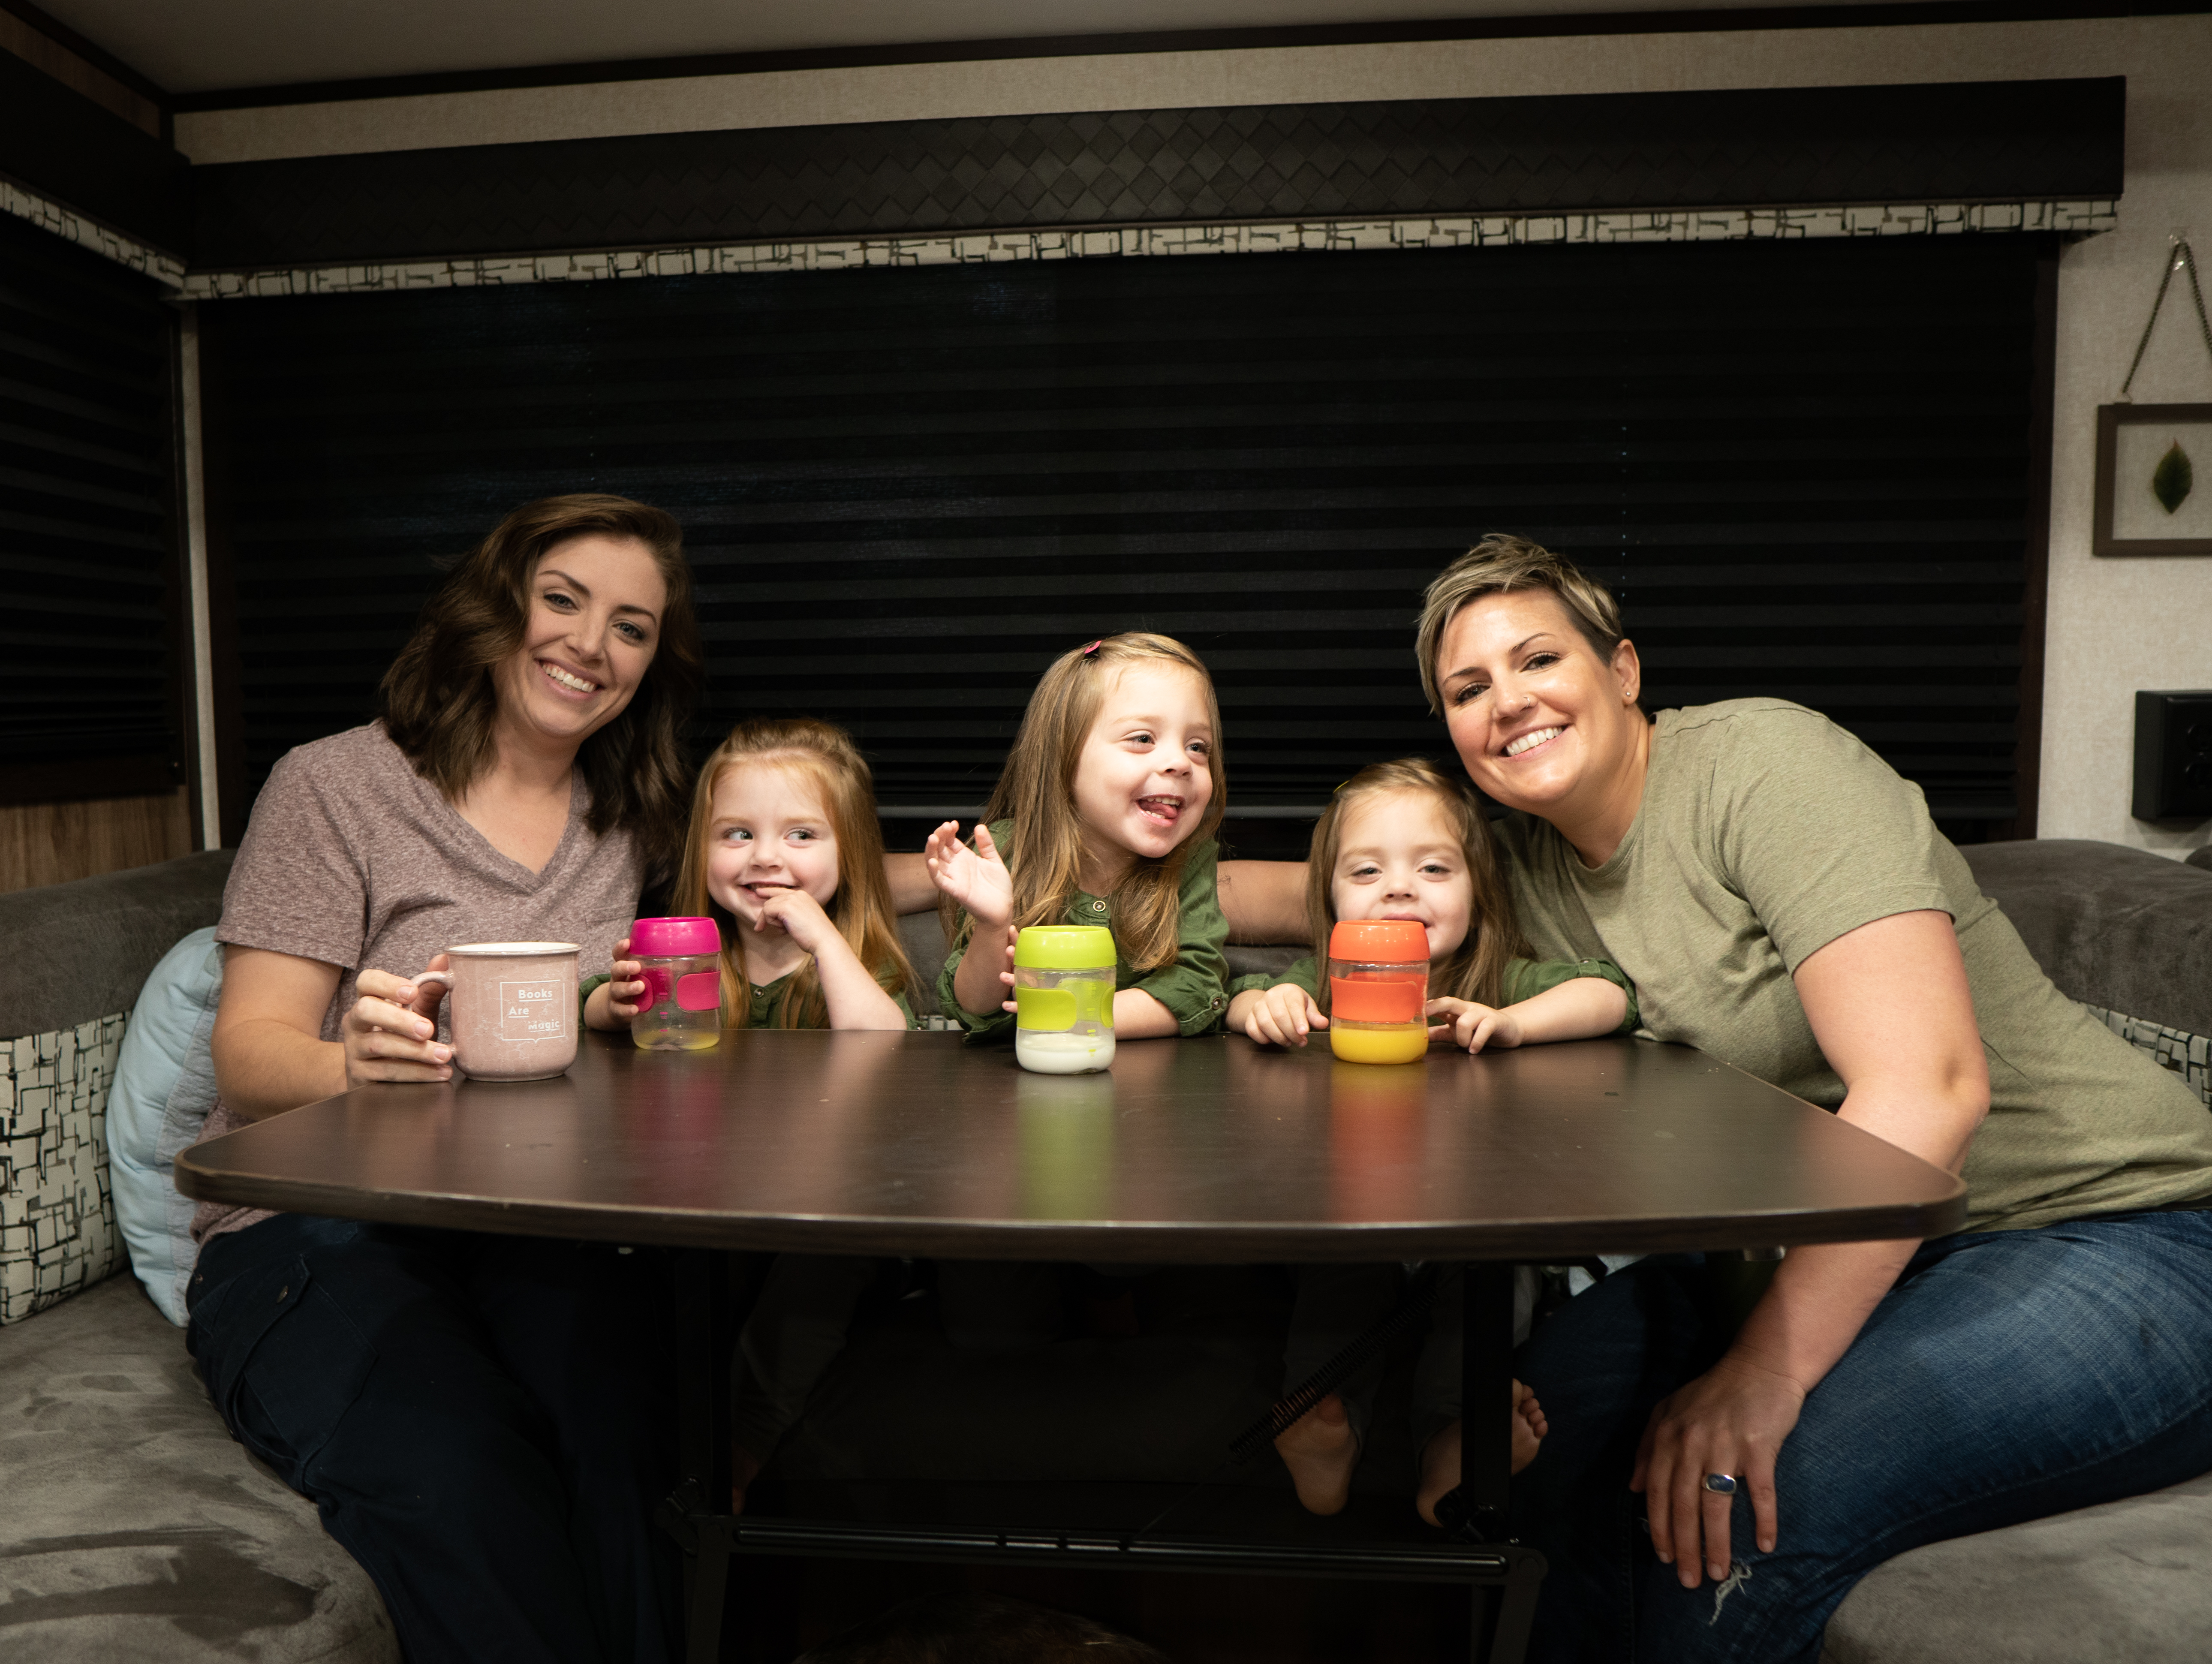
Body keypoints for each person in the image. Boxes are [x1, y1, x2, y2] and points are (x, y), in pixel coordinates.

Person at [1225, 534, 2212, 1663]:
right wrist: (1062, 882)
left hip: (2108, 1232)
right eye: (1467, 687)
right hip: (1825, 1258)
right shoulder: (1527, 871)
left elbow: (1929, 1089)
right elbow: (1311, 885)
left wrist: (1764, 1373)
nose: (1508, 701)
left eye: (1539, 659)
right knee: (1548, 1468)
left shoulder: (1764, 768)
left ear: (1625, 670)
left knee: (1728, 1501)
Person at [187, 494, 703, 1664]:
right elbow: (250, 1054)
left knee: (631, 1448)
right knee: (458, 1472)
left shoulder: (634, 816)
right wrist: (354, 1066)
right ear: (494, 606)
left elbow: (809, 843)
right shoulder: (334, 786)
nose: (590, 644)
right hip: (313, 1226)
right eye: (562, 600)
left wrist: (988, 875)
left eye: (632, 626)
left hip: (532, 1226)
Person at [1228, 758, 1634, 1517]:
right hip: (1355, 1209)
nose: (1401, 886)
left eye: (1435, 867)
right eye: (1367, 869)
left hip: (1473, 1218)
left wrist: (1516, 1022)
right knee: (1339, 1275)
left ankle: (1449, 1445)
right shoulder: (1326, 977)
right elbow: (1245, 995)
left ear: (1479, 896)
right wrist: (1267, 1001)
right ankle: (1324, 1428)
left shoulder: (1495, 980)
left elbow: (1610, 992)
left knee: (1491, 1287)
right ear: (1331, 899)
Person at [610, 717, 915, 1511]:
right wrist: (613, 1006)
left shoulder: (862, 965)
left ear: (848, 854)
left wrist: (822, 939)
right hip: (716, 1201)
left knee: (821, 1264)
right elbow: (606, 1022)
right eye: (736, 833)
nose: (765, 857)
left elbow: (884, 1044)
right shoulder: (688, 956)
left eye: (801, 834)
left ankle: (744, 1444)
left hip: (831, 1214)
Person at [922, 631, 1233, 1349]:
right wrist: (995, 921)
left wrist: (1071, 1011)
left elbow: (1196, 985)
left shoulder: (1187, 867)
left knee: (1128, 1257)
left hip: (1143, 1127)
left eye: (1198, 748)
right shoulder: (1007, 851)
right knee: (987, 1306)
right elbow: (970, 1008)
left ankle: (1105, 1296)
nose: (1178, 764)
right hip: (1009, 1128)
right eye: (1142, 739)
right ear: (1064, 762)